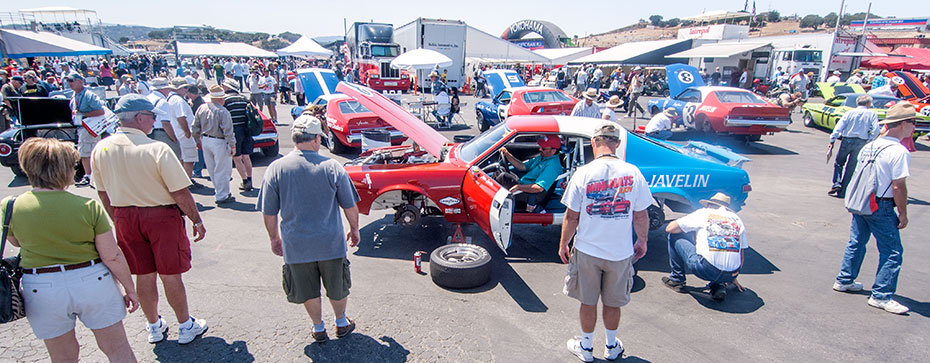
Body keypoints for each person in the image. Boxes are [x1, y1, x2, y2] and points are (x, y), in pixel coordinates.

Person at [5, 138, 139, 362]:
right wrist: (129, 288)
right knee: (117, 349)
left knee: (63, 356)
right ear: (65, 169)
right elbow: (112, 255)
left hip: (41, 286)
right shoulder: (87, 206)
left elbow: (16, 242)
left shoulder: (10, 206)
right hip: (91, 280)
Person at [91, 94, 209, 344]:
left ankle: (154, 325)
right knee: (170, 273)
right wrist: (196, 219)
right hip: (160, 215)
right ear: (140, 118)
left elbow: (102, 192)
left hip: (125, 215)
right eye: (152, 117)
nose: (154, 121)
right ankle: (185, 324)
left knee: (143, 274)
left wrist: (116, 218)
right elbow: (179, 190)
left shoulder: (100, 148)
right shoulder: (157, 148)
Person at [261, 114, 361, 343]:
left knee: (308, 290)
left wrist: (274, 239)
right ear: (317, 139)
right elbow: (350, 206)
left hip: (297, 245)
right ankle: (341, 322)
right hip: (330, 243)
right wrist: (354, 229)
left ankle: (318, 328)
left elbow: (269, 212)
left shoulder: (276, 169)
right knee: (337, 286)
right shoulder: (332, 167)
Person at [558, 122, 651, 362]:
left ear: (594, 142)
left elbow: (571, 216)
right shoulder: (633, 173)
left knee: (587, 302)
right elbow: (641, 214)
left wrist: (563, 243)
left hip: (587, 250)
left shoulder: (583, 173)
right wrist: (642, 240)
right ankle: (611, 347)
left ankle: (587, 348)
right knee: (613, 303)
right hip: (620, 252)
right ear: (617, 144)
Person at [833, 103, 915, 315]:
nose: (914, 128)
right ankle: (881, 295)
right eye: (913, 123)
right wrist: (903, 213)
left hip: (861, 200)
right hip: (880, 203)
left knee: (857, 242)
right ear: (904, 124)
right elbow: (898, 185)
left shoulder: (870, 145)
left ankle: (844, 279)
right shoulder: (898, 151)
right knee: (892, 251)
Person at [662, 193, 748, 301]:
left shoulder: (704, 213)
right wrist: (733, 276)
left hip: (705, 269)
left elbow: (670, 228)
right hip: (731, 274)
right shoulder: (737, 220)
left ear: (710, 205)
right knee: (724, 248)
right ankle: (718, 285)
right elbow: (741, 253)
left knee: (675, 235)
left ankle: (676, 279)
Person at [828, 94, 880, 198]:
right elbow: (876, 130)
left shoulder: (849, 112)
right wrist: (869, 140)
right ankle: (843, 190)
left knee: (839, 163)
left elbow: (839, 126)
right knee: (851, 167)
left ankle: (836, 183)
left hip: (847, 140)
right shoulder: (872, 114)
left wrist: (832, 139)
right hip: (861, 141)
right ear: (868, 103)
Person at [192, 85, 236, 204]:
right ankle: (222, 194)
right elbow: (228, 130)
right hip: (219, 141)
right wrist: (232, 145)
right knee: (222, 169)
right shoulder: (222, 111)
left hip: (206, 139)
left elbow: (195, 126)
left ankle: (219, 191)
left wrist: (197, 140)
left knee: (212, 168)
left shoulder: (202, 108)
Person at [500, 135, 563, 212]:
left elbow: (538, 188)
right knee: (500, 170)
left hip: (530, 195)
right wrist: (507, 154)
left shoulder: (552, 166)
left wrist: (519, 187)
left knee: (503, 177)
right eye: (540, 146)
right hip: (523, 186)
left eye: (543, 148)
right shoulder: (542, 157)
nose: (540, 149)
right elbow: (522, 166)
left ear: (553, 151)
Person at [67, 73, 105, 187]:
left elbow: (100, 111)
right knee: (84, 152)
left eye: (71, 80)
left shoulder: (89, 95)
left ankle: (90, 176)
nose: (69, 83)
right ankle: (91, 176)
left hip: (89, 128)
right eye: (68, 81)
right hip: (81, 128)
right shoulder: (75, 95)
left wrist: (83, 114)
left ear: (79, 81)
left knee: (87, 153)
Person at [221, 79, 255, 191]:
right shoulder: (244, 99)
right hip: (246, 129)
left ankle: (245, 181)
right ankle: (250, 179)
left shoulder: (225, 100)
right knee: (246, 156)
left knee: (237, 157)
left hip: (234, 130)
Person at [164, 78, 199, 178]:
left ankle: (184, 180)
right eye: (185, 88)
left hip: (178, 133)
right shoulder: (178, 100)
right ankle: (188, 181)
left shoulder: (171, 99)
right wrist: (187, 132)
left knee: (183, 159)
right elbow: (181, 117)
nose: (186, 90)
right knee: (189, 160)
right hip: (183, 135)